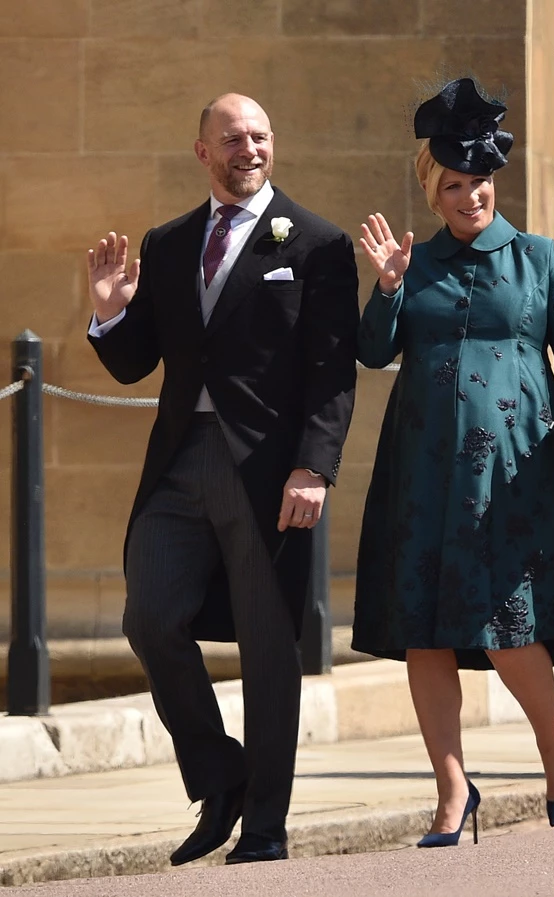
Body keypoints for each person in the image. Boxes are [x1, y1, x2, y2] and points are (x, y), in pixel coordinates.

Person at [352, 78, 554, 848]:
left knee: (509, 625)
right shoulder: (416, 265)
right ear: (431, 191)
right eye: (453, 185)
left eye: (479, 182)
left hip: (514, 473)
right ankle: (451, 790)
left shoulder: (538, 259)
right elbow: (372, 351)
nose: (470, 195)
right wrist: (387, 288)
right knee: (424, 631)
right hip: (423, 473)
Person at [87, 93, 359, 866]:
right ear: (203, 151)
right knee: (151, 616)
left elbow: (331, 371)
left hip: (272, 472)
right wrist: (107, 314)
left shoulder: (316, 242)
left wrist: (315, 464)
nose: (250, 146)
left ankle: (265, 826)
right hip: (178, 463)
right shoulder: (169, 243)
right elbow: (139, 359)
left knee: (271, 649)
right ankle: (220, 772)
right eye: (233, 136)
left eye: (261, 134)